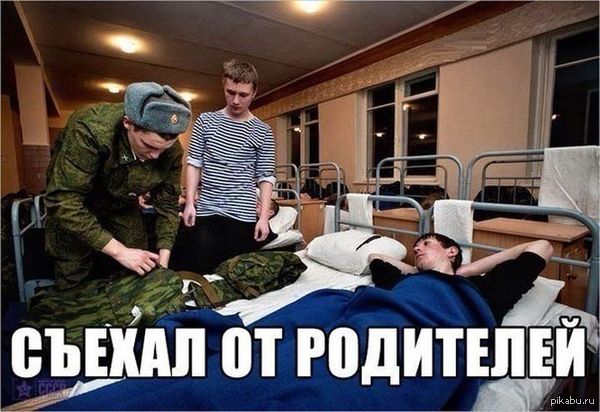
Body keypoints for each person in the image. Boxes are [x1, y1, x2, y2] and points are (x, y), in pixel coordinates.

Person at [45, 82, 191, 290]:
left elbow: (167, 204)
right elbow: (63, 200)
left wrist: (164, 259)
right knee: (73, 268)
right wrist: (120, 252)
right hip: (78, 204)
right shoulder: (91, 130)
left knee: (140, 265)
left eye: (163, 150)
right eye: (148, 146)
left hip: (121, 203)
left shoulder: (171, 150)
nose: (155, 156)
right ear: (128, 123)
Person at [172, 60, 276, 273]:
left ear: (254, 92)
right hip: (207, 210)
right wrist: (190, 202)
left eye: (243, 95)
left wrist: (264, 217)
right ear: (224, 86)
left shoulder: (263, 131)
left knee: (232, 275)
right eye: (230, 92)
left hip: (242, 215)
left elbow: (266, 177)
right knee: (197, 270)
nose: (236, 100)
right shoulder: (205, 121)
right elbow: (194, 163)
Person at [368, 233, 554, 324]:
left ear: (451, 251)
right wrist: (419, 272)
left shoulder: (484, 288)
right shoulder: (403, 280)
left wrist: (468, 270)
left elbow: (542, 246)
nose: (416, 249)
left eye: (426, 243)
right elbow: (375, 257)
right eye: (416, 248)